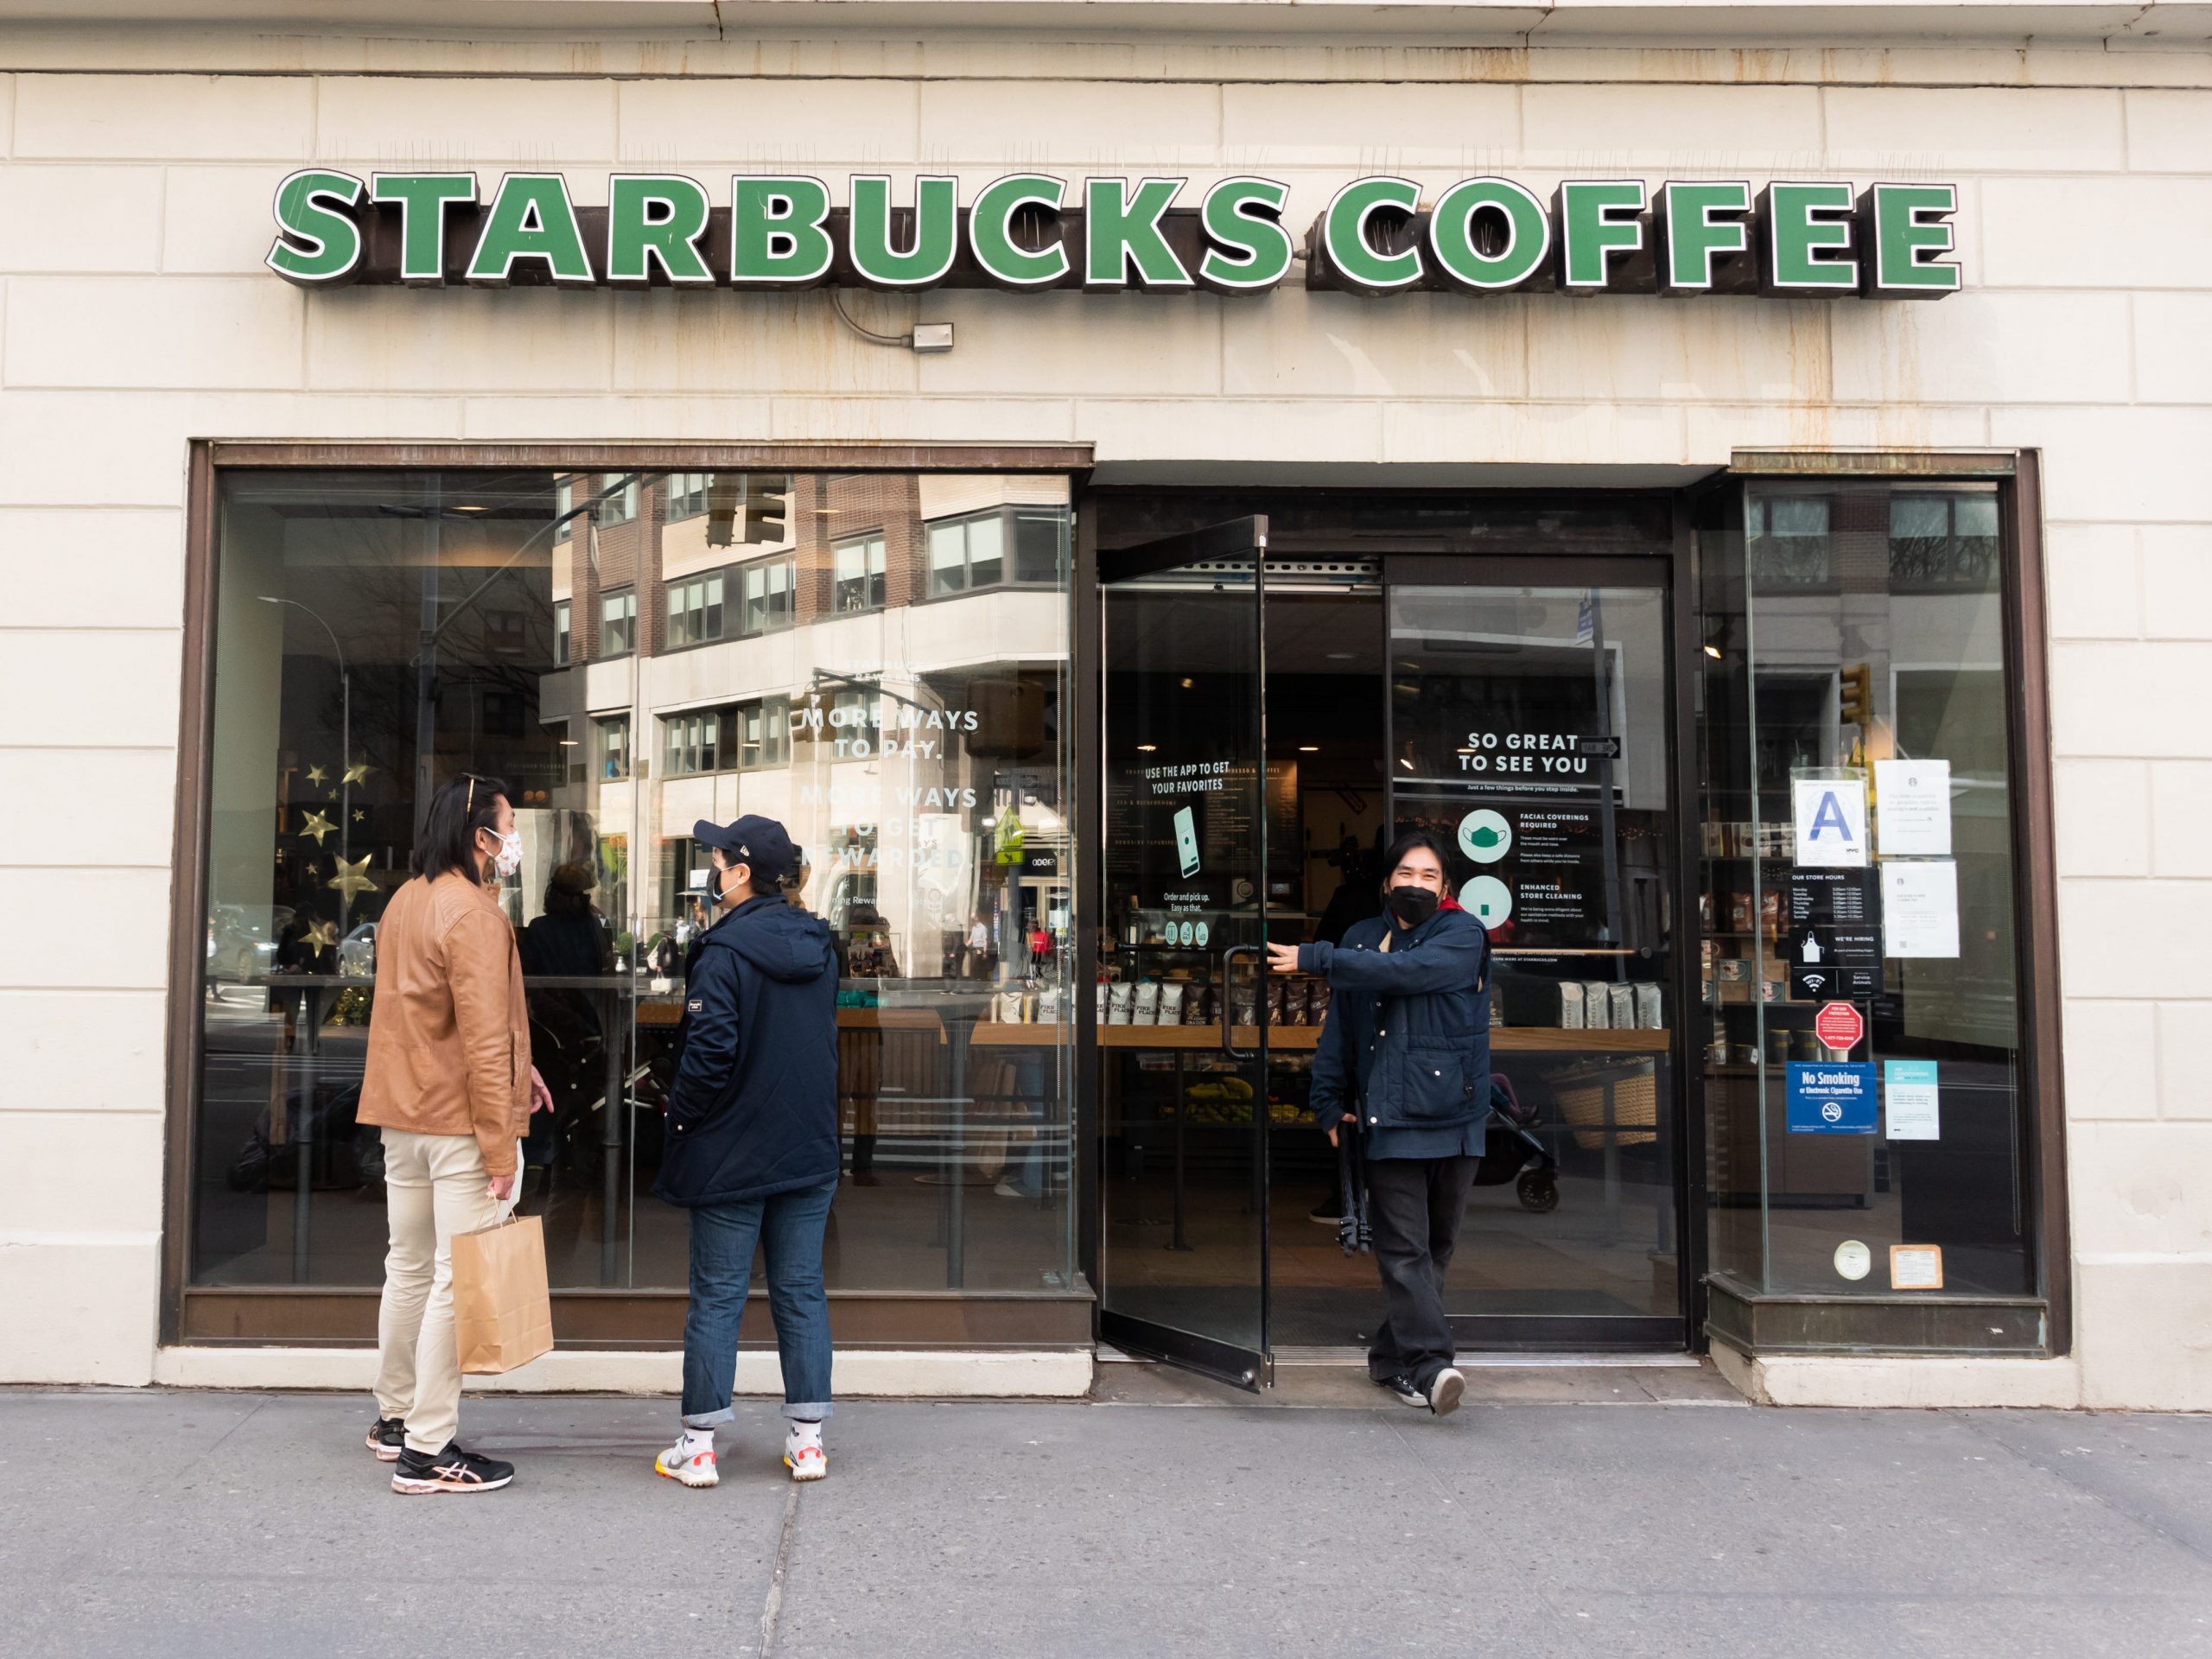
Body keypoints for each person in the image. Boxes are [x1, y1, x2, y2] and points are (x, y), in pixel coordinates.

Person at [358, 772, 554, 1494]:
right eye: (509, 826)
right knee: (451, 1279)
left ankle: (394, 1419)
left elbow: (433, 1019)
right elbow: (477, 1033)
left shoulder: (406, 900)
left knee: (408, 1266)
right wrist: (502, 1140)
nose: (514, 842)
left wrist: (518, 1068)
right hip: (458, 1124)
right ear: (482, 836)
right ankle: (429, 1450)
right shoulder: (470, 913)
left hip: (402, 1117)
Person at [1268, 828, 1490, 1418]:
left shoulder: (1463, 935)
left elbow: (1410, 973)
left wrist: (1316, 957)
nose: (1416, 886)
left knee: (1436, 1248)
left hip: (1457, 1116)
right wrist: (1326, 1096)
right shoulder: (1364, 937)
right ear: (1387, 881)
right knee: (1403, 1249)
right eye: (1406, 875)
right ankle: (1433, 1364)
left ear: (1446, 886)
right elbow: (1342, 1024)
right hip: (1386, 1117)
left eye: (1429, 877)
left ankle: (1392, 1359)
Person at [652, 815, 841, 1489]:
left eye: (717, 857)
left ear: (738, 874)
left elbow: (709, 1055)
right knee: (800, 1291)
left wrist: (681, 1120)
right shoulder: (820, 943)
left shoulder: (722, 950)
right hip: (807, 1145)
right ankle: (809, 1442)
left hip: (732, 1150)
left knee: (718, 1295)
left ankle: (698, 1446)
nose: (710, 865)